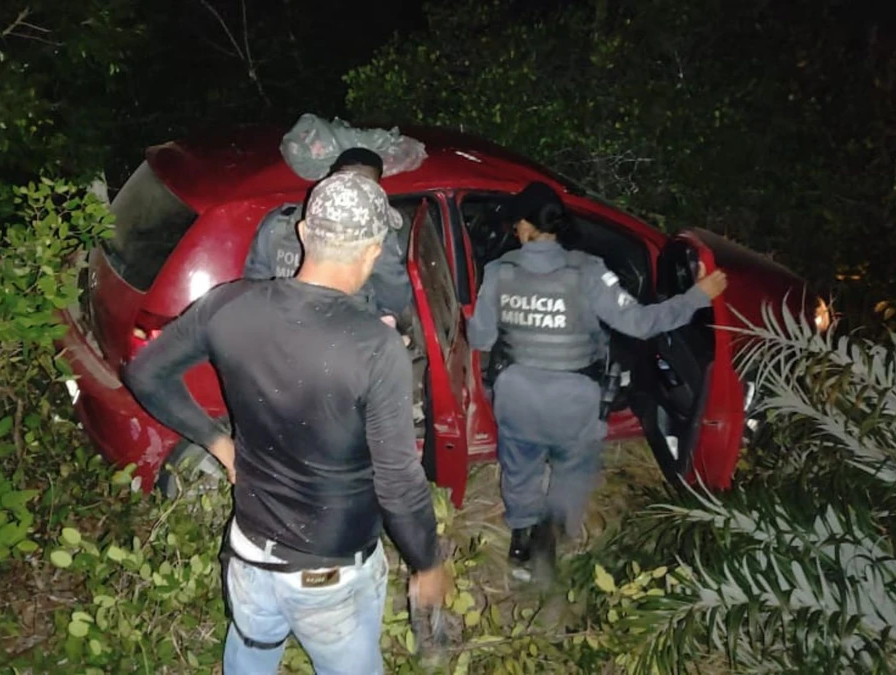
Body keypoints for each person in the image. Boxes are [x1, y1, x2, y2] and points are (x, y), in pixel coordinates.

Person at [123, 172, 449, 674]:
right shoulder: (374, 347)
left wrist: (217, 443)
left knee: (250, 655)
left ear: (302, 234)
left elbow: (146, 373)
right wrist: (427, 563)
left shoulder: (228, 304)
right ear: (373, 250)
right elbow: (400, 485)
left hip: (250, 556)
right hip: (331, 578)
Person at [467, 181, 728, 584]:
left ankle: (520, 541)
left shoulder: (498, 272)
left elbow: (481, 339)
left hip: (516, 396)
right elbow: (641, 324)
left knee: (519, 467)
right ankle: (550, 536)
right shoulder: (589, 271)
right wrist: (696, 296)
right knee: (573, 468)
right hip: (574, 401)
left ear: (524, 227)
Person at [243, 147, 412, 324]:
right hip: (346, 337)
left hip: (278, 331)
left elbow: (254, 286)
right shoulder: (377, 237)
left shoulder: (279, 221)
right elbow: (395, 298)